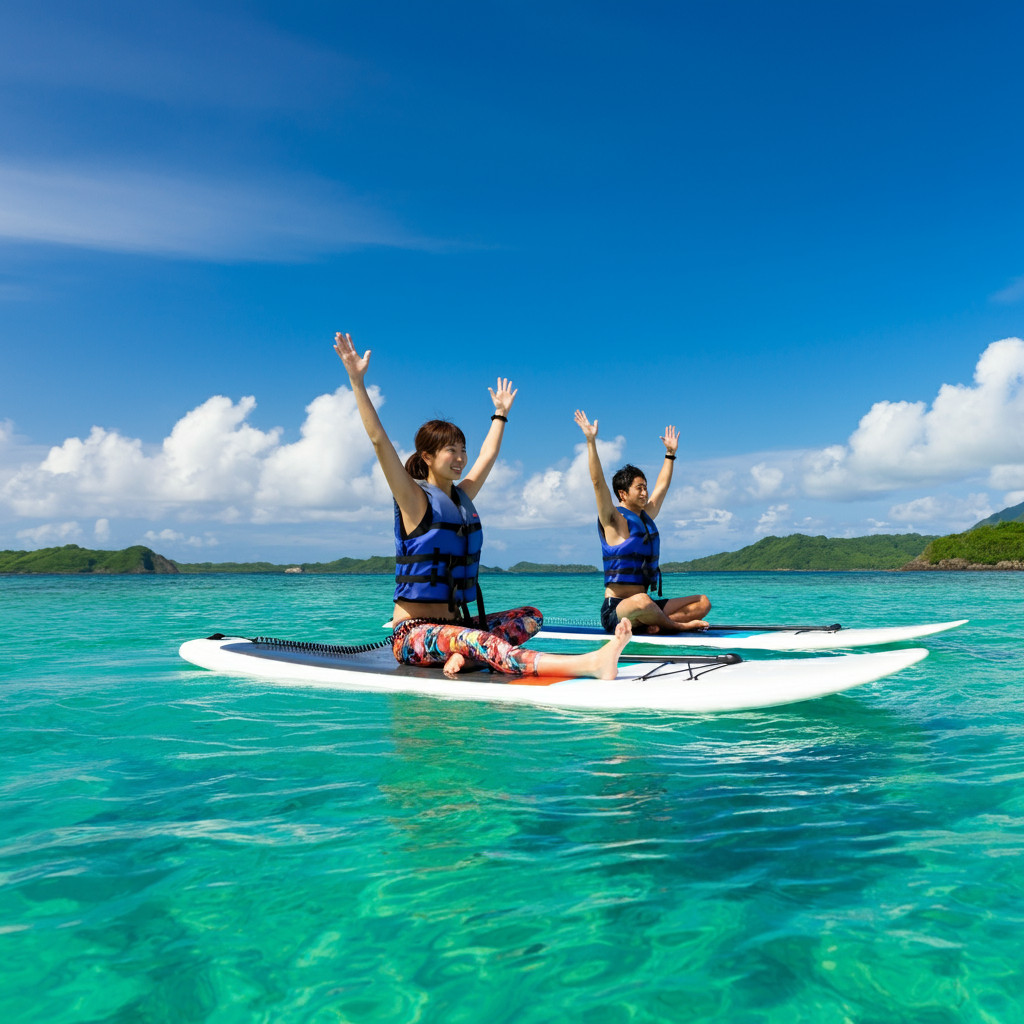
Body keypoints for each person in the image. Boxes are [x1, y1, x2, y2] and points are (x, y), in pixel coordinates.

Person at [334, 332, 633, 680]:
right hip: (413, 635)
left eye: (463, 450)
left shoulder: (460, 497)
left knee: (530, 616)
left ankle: (468, 657)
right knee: (479, 640)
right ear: (428, 457)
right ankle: (589, 664)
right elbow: (378, 440)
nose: (461, 458)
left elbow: (489, 455)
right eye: (451, 451)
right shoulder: (413, 499)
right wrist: (357, 380)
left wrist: (500, 414)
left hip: (458, 627)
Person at [574, 409, 711, 635]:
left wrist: (670, 454)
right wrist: (591, 441)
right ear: (623, 493)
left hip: (645, 604)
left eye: (645, 487)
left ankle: (652, 625)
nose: (645, 492)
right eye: (639, 488)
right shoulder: (613, 520)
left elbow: (662, 487)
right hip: (617, 610)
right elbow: (597, 482)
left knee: (702, 602)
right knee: (640, 601)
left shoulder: (645, 516)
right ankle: (676, 626)